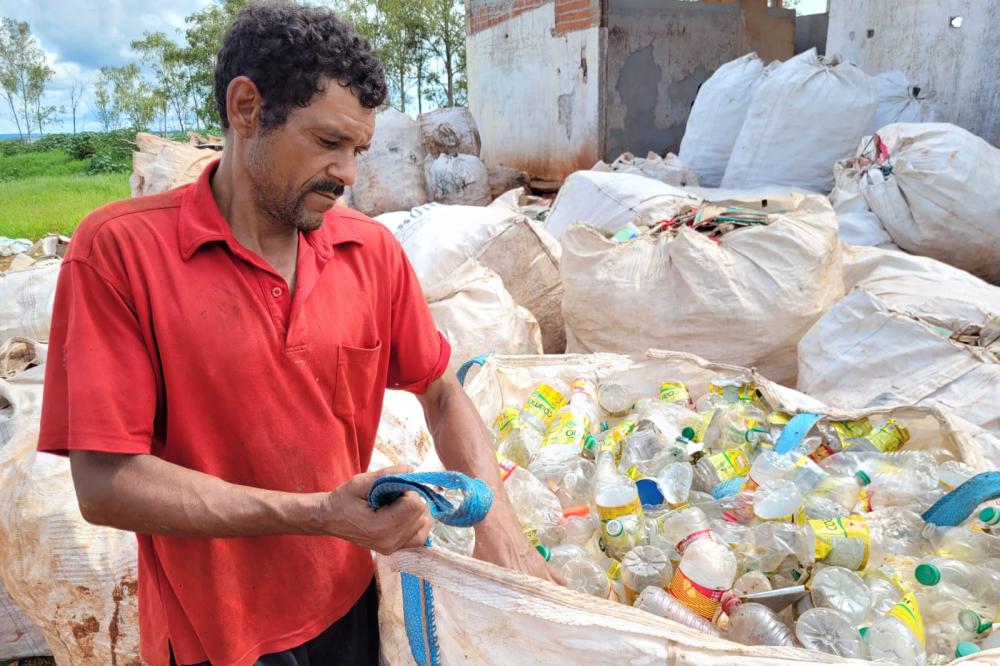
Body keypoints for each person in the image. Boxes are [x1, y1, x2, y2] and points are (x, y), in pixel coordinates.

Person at [36, 3, 549, 665]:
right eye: (329, 142)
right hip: (211, 635)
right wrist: (316, 512)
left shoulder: (372, 253)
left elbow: (443, 392)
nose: (350, 175)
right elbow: (105, 484)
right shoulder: (119, 252)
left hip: (347, 603)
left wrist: (498, 525)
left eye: (358, 150)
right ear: (247, 107)